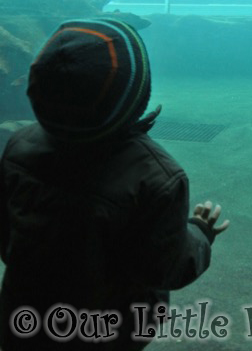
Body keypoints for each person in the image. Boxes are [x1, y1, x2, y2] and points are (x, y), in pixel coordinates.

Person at [0, 18, 229, 350]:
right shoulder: (157, 178)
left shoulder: (17, 147)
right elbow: (164, 267)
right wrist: (199, 235)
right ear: (138, 95)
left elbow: (7, 235)